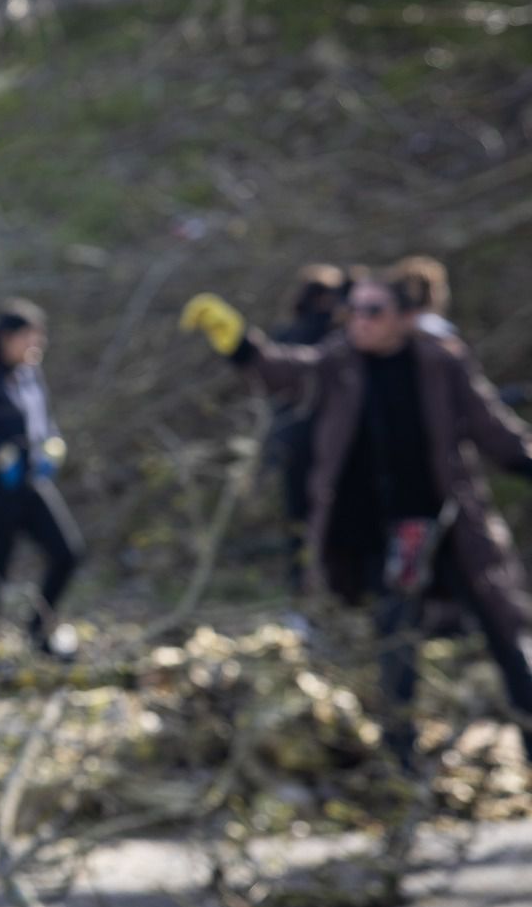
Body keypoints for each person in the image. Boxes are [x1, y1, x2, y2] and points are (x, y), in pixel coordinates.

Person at [183, 276, 532, 772]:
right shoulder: (338, 362)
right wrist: (238, 342)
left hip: (452, 528)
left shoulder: (440, 363)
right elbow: (280, 371)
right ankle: (401, 773)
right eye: (356, 310)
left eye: (373, 310)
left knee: (506, 637)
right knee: (397, 648)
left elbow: (495, 431)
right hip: (384, 536)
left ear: (403, 317)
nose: (360, 320)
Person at [0, 300, 85, 662]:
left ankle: (38, 631)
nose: (36, 345)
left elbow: (44, 421)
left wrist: (54, 444)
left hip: (32, 486)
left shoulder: (31, 376)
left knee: (67, 553)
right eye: (29, 337)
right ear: (6, 338)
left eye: (39, 338)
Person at [268, 265, 347, 598]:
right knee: (322, 522)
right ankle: (320, 594)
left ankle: (304, 591)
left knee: (298, 524)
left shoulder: (283, 336)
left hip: (290, 445)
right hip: (319, 447)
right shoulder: (331, 340)